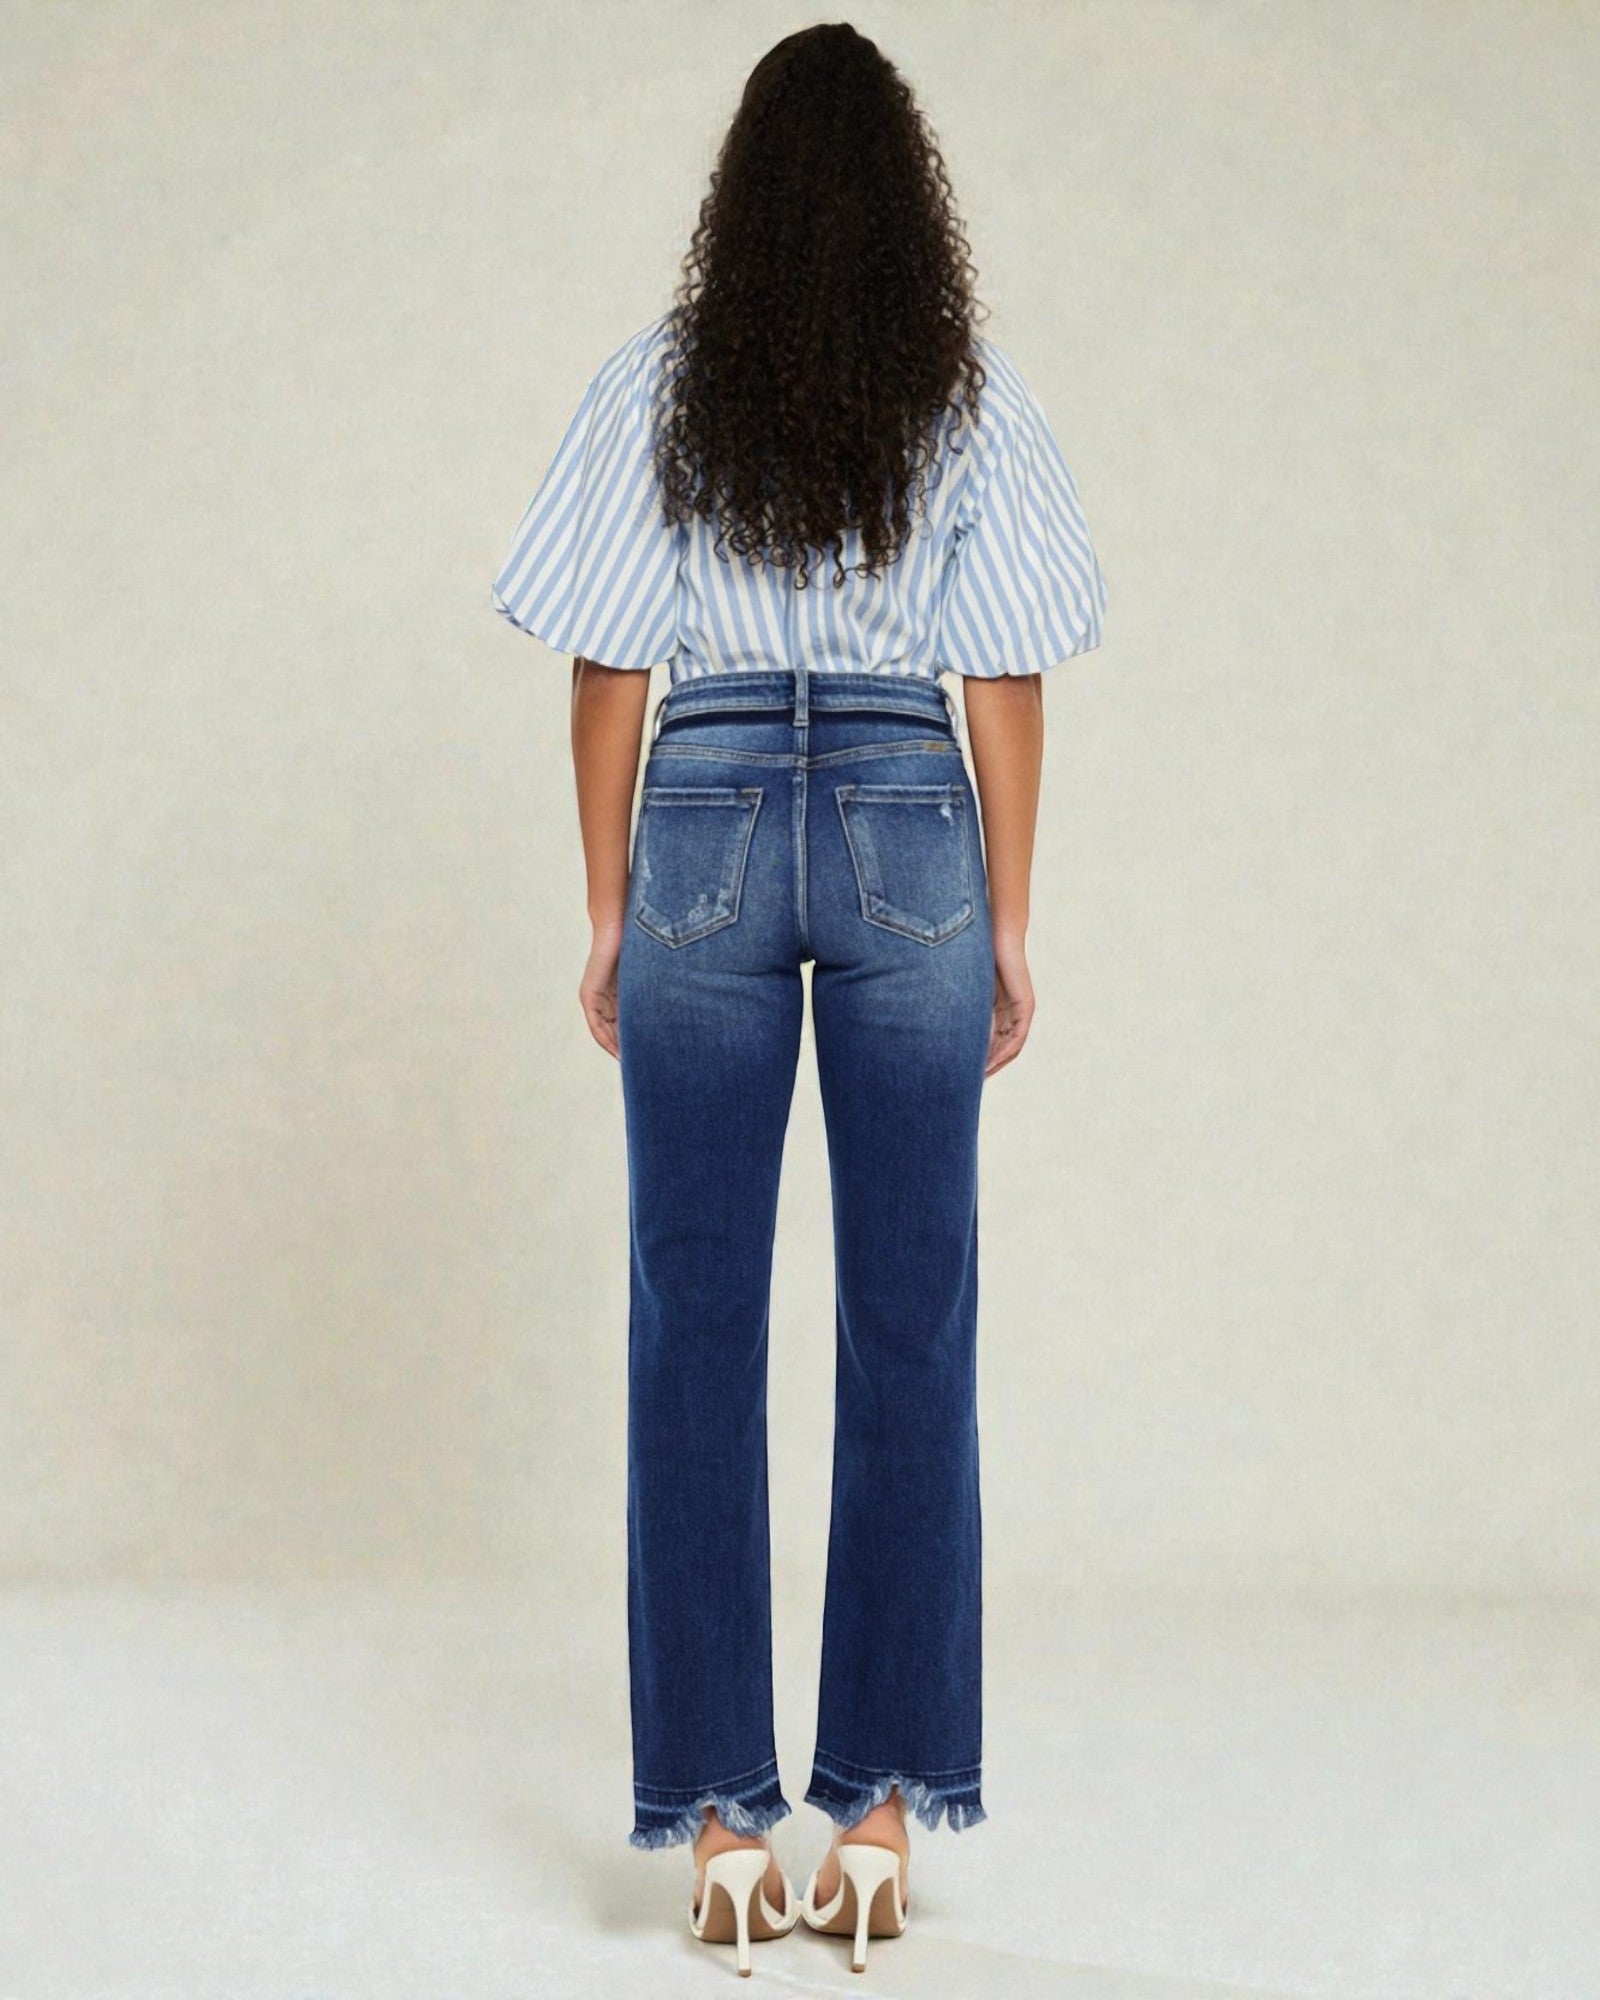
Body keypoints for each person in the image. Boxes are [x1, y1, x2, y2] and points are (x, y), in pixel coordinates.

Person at [489, 21, 1108, 1976]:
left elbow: (606, 661)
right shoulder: (967, 392)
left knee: (693, 1321)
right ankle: (883, 1816)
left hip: (707, 810)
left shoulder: (659, 383)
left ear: (737, 201)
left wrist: (610, 907)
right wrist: (1008, 919)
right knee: (913, 1322)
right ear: (912, 203)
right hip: (916, 810)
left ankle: (719, 1830)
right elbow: (1005, 670)